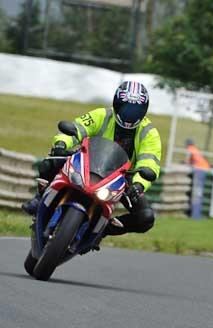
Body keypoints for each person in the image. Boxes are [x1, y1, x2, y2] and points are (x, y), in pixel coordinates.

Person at [22, 81, 162, 238]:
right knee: (51, 161)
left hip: (123, 176)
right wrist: (61, 143)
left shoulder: (149, 133)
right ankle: (39, 198)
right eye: (126, 107)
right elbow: (77, 128)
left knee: (145, 218)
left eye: (136, 110)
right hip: (87, 161)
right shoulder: (102, 115)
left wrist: (139, 185)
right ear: (116, 104)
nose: (130, 114)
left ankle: (101, 231)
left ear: (144, 111)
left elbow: (150, 162)